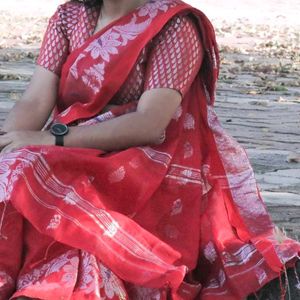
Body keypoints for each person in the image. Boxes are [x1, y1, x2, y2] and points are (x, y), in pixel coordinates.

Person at [0, 0, 299, 299]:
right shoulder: (69, 17)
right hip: (65, 148)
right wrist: (9, 140)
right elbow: (36, 100)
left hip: (140, 158)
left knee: (28, 166)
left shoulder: (174, 25)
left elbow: (149, 123)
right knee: (12, 166)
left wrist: (52, 140)